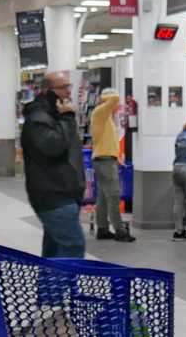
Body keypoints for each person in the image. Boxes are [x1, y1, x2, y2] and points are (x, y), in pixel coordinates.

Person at [21, 71, 86, 258]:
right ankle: (63, 279)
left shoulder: (54, 114)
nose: (68, 91)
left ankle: (50, 279)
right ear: (47, 90)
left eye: (69, 86)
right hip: (53, 195)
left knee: (55, 250)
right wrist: (68, 118)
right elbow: (54, 146)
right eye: (63, 87)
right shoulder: (39, 118)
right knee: (73, 246)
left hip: (65, 192)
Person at [89, 89, 133, 241]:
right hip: (105, 161)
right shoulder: (100, 112)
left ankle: (102, 229)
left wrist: (117, 157)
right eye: (117, 105)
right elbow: (114, 97)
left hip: (105, 159)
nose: (118, 106)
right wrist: (106, 97)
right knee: (114, 195)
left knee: (102, 197)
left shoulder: (105, 117)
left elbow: (106, 141)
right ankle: (120, 231)